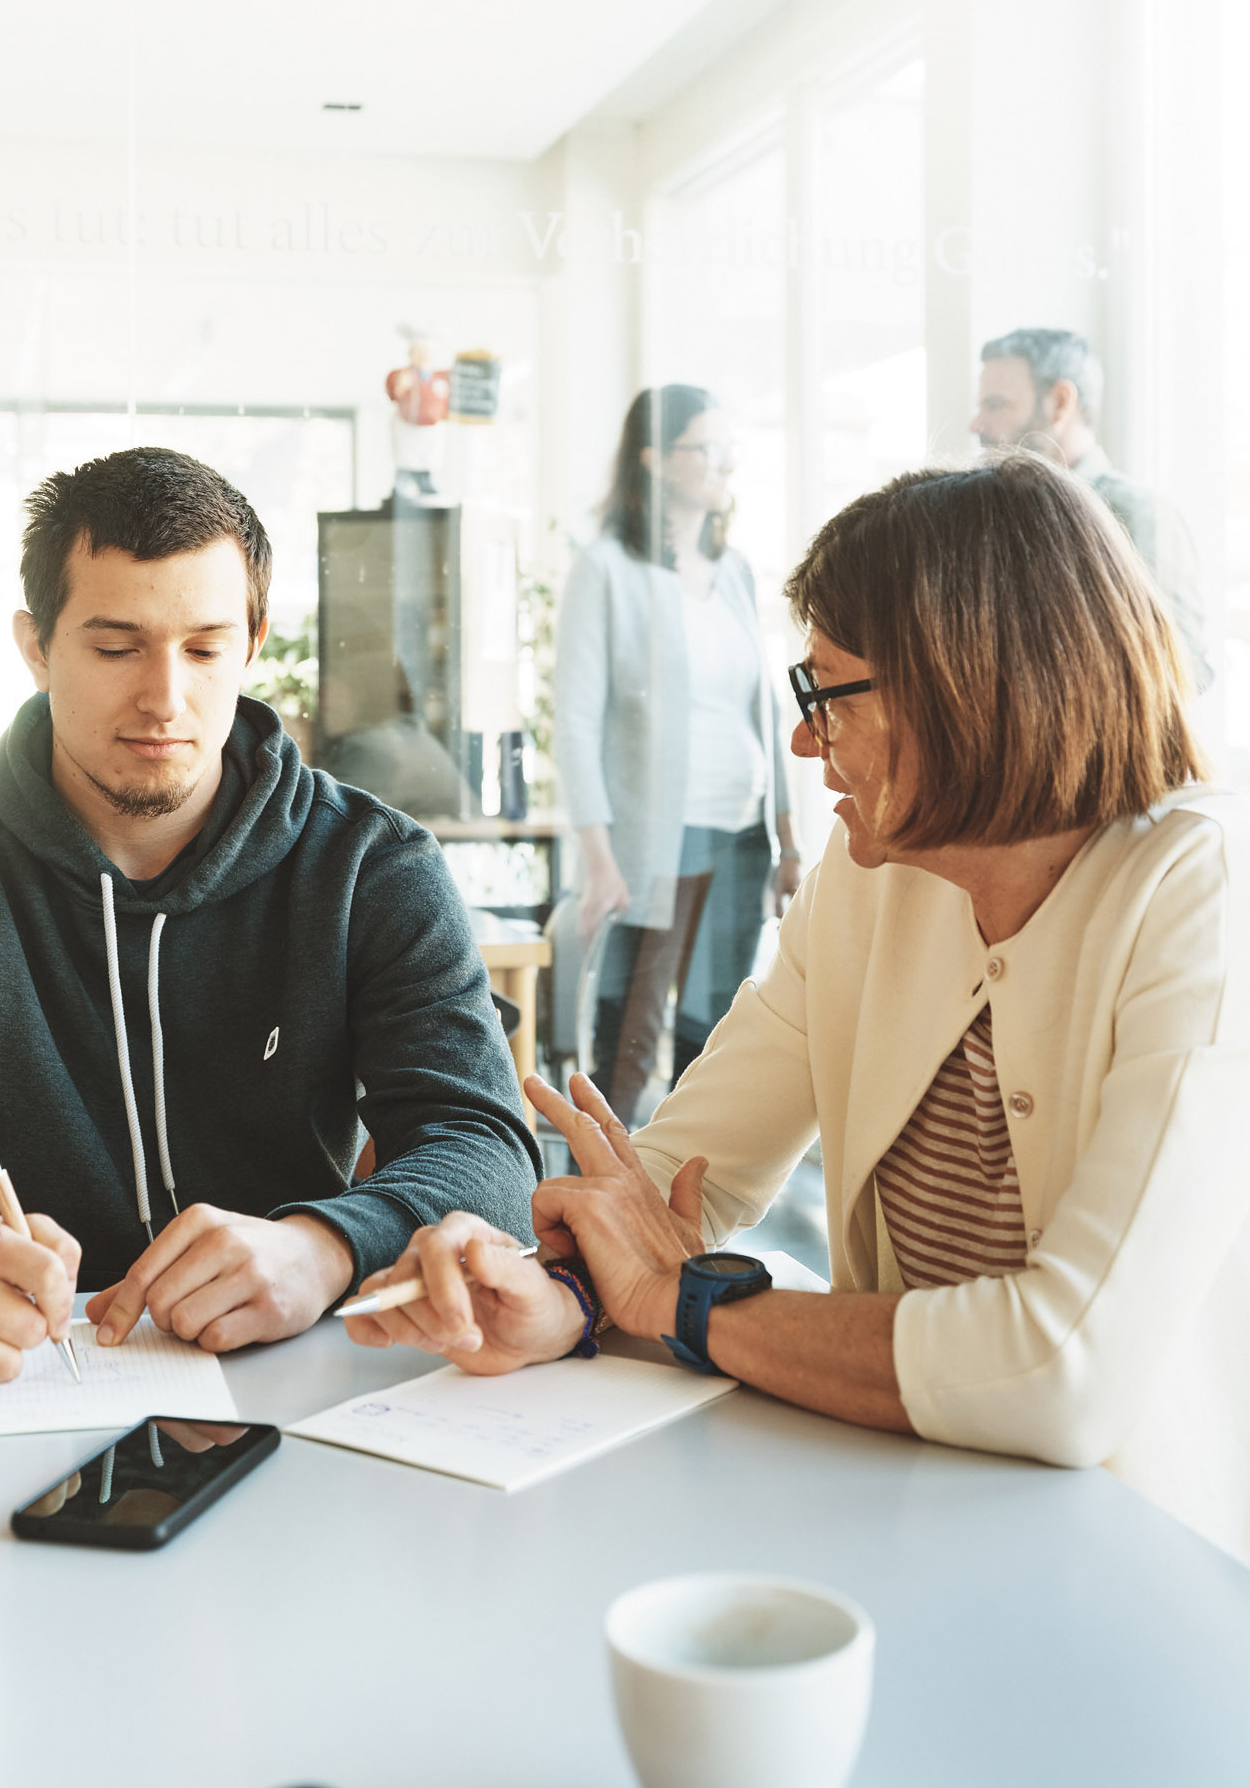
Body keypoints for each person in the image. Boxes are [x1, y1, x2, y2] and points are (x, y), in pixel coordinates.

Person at [348, 454, 1250, 1564]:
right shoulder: (873, 872)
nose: (802, 741)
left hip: (1134, 1556)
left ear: (967, 684)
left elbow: (1061, 1365)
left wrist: (689, 1304)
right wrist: (563, 1290)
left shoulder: (1205, 890)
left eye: (827, 693)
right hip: (899, 1511)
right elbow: (687, 1176)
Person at [0, 448, 539, 1378]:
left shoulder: (371, 865)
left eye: (204, 649)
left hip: (311, 1367)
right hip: (22, 1377)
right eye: (116, 648)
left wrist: (328, 1246)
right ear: (36, 647)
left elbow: (484, 1146)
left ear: (252, 643)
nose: (166, 699)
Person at [553, 386, 799, 1123]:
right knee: (632, 1036)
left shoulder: (735, 572)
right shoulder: (607, 569)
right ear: (655, 459)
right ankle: (599, 1201)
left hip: (739, 831)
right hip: (655, 841)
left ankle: (686, 1204)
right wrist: (600, 859)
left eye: (731, 450)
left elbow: (766, 704)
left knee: (718, 1034)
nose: (726, 465)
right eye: (708, 449)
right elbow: (575, 722)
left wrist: (788, 835)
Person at [971, 327, 1210, 688]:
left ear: (1060, 403)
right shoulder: (988, 515)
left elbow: (1183, 670)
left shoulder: (1138, 516)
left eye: (996, 405)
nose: (977, 424)